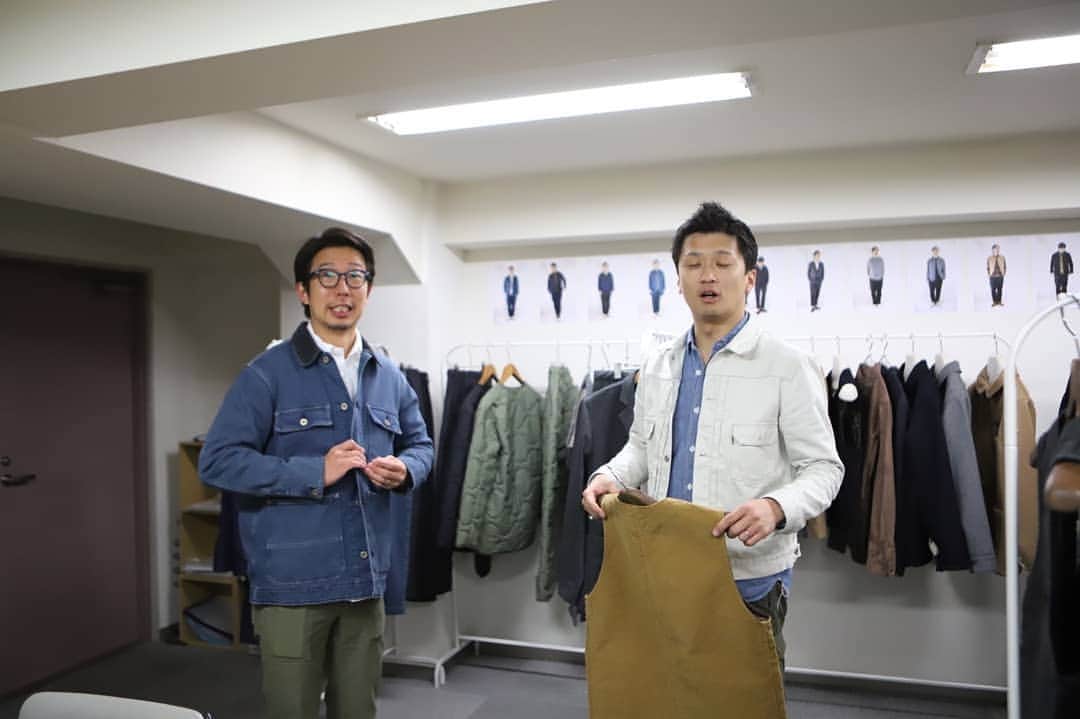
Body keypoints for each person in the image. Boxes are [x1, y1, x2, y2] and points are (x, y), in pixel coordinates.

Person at [582, 202, 843, 670]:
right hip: (661, 570)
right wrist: (609, 476)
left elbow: (824, 469)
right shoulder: (658, 366)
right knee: (665, 694)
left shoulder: (787, 366)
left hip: (748, 580)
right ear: (678, 279)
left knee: (743, 699)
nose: (708, 276)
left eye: (723, 263)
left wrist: (776, 507)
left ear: (750, 278)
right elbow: (641, 447)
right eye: (693, 264)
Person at [199, 228, 434, 719]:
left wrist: (406, 469)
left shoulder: (388, 375)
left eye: (355, 277)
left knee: (358, 711)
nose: (342, 288)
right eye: (327, 276)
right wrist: (314, 471)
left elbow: (421, 445)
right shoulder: (266, 373)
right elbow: (218, 460)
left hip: (365, 581)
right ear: (304, 291)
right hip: (293, 587)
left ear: (369, 289)